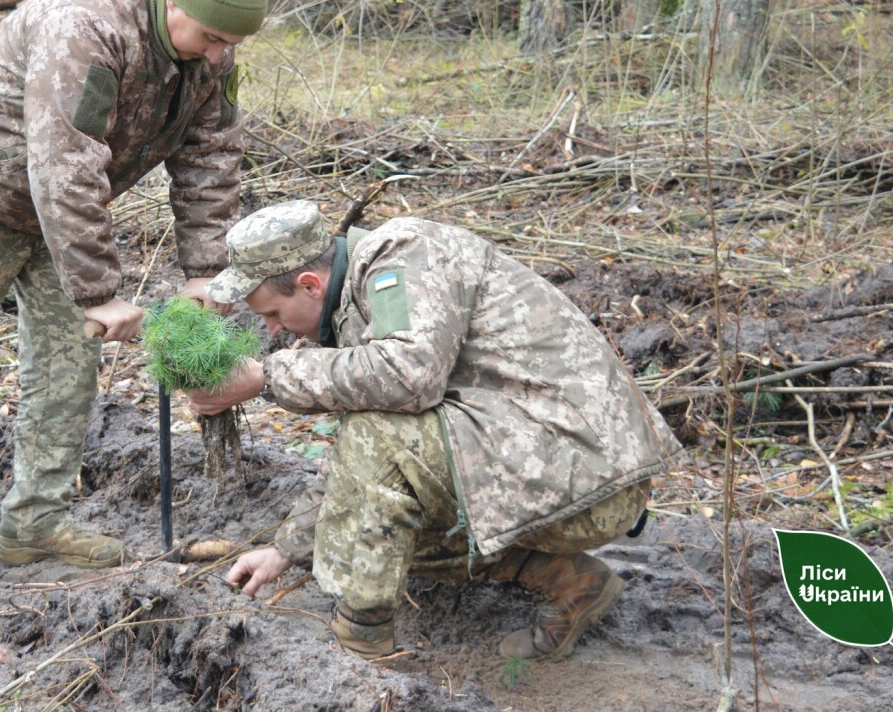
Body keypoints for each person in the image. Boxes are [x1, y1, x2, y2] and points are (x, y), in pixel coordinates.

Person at [0, 0, 270, 585]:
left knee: (69, 360)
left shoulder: (212, 53)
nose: (219, 55)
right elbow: (64, 161)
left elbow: (210, 157)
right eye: (209, 37)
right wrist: (99, 291)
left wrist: (205, 272)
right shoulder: (88, 22)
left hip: (58, 200)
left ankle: (37, 523)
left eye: (231, 42)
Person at [186, 200, 685, 661]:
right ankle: (569, 581)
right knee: (366, 517)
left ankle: (361, 642)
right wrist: (286, 548)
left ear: (311, 284)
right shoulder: (355, 302)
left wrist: (267, 378)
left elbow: (408, 378)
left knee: (377, 449)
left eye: (272, 314)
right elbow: (359, 466)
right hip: (547, 463)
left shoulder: (402, 253)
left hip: (589, 474)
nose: (272, 331)